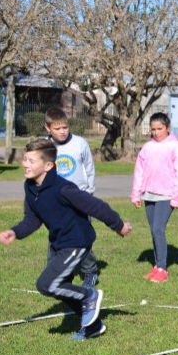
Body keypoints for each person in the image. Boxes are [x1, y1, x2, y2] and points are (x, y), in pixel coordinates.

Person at [0, 139, 132, 339]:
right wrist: (15, 232)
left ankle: (90, 295)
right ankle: (94, 327)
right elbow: (33, 218)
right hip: (58, 244)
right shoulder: (31, 187)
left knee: (46, 284)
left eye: (31, 161)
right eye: (25, 159)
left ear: (48, 165)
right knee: (60, 288)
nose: (25, 164)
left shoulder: (63, 188)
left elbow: (95, 206)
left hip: (77, 242)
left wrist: (118, 225)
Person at [44, 107, 99, 289]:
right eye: (58, 128)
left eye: (65, 127)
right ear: (48, 128)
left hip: (79, 198)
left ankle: (90, 272)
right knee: (56, 236)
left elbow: (89, 168)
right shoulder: (44, 146)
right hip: (55, 200)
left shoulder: (80, 143)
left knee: (81, 237)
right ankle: (55, 272)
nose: (62, 132)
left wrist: (88, 193)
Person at [130, 112, 178, 283]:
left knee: (158, 229)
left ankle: (163, 268)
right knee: (154, 231)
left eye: (160, 129)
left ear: (168, 128)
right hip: (149, 194)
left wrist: (177, 197)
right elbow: (139, 171)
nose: (156, 132)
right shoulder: (147, 147)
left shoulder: (176, 147)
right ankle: (156, 266)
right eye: (153, 129)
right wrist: (136, 194)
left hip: (166, 195)